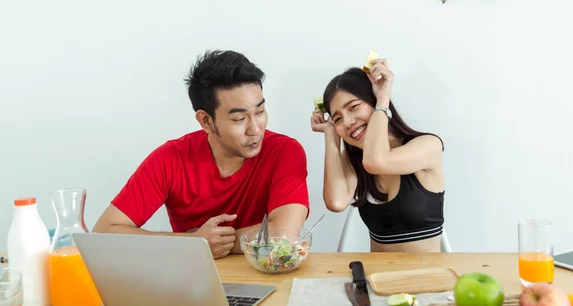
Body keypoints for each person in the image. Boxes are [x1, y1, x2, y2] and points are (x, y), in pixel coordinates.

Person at [94, 50, 310, 259]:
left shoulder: (285, 151)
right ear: (206, 121)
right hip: (192, 284)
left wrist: (207, 243)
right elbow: (104, 232)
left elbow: (284, 233)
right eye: (239, 119)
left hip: (267, 276)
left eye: (260, 112)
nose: (255, 129)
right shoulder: (170, 159)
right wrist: (192, 243)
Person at [310, 59, 444, 253]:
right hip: (375, 280)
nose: (347, 122)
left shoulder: (428, 145)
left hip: (425, 279)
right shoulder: (354, 159)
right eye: (338, 118)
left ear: (373, 101)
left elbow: (377, 161)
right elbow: (336, 202)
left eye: (353, 107)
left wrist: (383, 98)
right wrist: (330, 135)